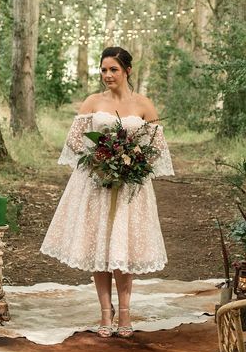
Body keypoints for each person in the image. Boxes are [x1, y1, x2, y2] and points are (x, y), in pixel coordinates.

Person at [40, 46, 173, 337]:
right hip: (96, 185)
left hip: (129, 189)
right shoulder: (92, 102)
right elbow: (75, 141)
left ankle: (124, 313)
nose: (107, 75)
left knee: (122, 249)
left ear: (127, 71)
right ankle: (104, 312)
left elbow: (156, 148)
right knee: (100, 248)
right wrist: (100, 158)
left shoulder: (143, 105)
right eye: (103, 70)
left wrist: (133, 163)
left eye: (113, 69)